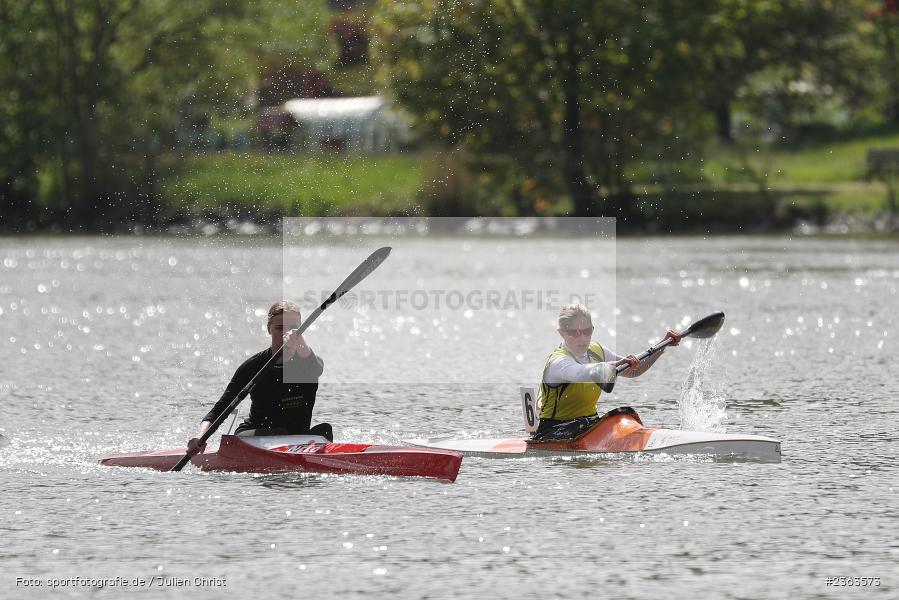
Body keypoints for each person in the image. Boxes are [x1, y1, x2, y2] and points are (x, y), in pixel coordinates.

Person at [186, 301, 330, 456]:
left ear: (301, 329)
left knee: (324, 431)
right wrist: (200, 436)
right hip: (254, 437)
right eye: (279, 328)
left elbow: (316, 368)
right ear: (269, 329)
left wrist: (301, 345)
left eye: (293, 328)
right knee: (281, 432)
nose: (286, 334)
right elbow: (220, 408)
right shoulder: (253, 366)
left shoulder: (310, 363)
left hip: (298, 440)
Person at [535, 303, 681, 439]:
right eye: (575, 333)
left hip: (587, 425)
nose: (583, 338)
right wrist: (613, 364)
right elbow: (581, 373)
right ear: (562, 333)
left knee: (625, 414)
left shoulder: (597, 351)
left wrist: (662, 346)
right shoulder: (558, 362)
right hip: (552, 430)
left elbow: (633, 371)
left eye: (587, 331)